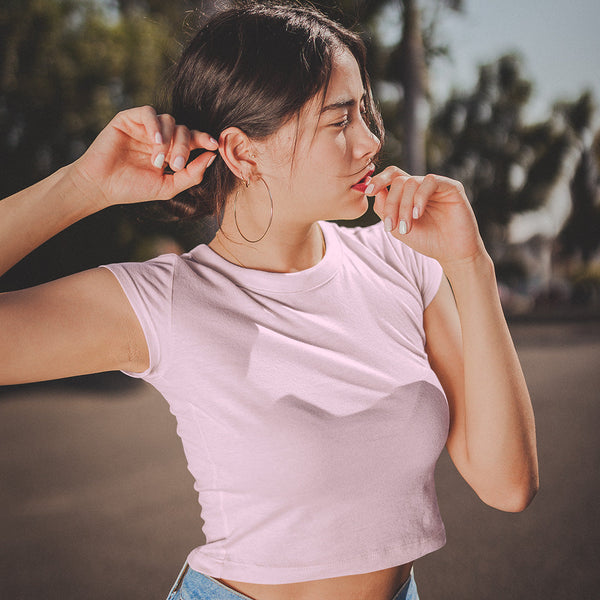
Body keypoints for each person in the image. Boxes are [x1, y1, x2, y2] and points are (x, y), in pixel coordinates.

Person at [0, 4, 538, 600]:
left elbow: (508, 485)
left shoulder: (402, 262)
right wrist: (83, 186)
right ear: (242, 151)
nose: (371, 141)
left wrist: (471, 264)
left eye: (364, 111)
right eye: (339, 122)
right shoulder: (167, 301)